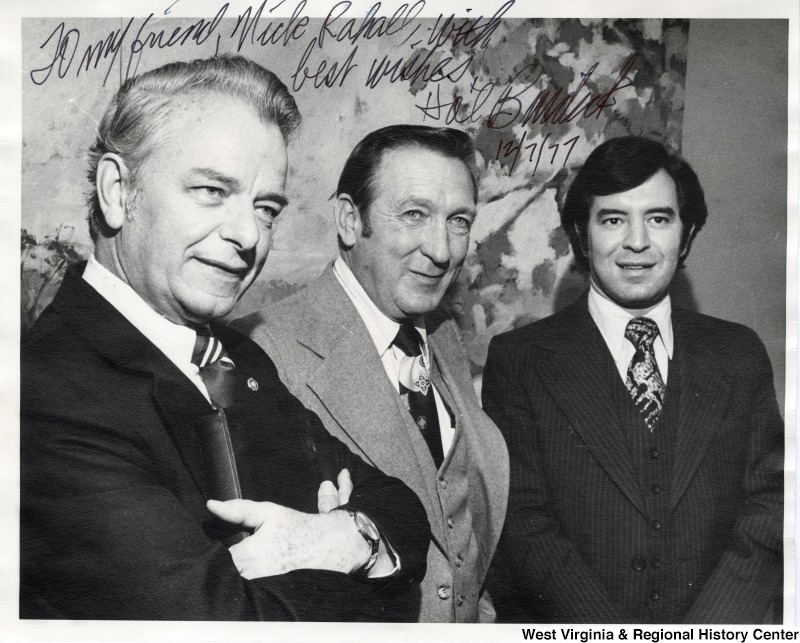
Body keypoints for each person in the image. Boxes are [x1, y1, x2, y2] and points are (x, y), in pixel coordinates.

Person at [20, 55, 431, 621]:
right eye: (212, 191)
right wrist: (358, 557)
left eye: (265, 208)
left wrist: (346, 538)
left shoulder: (234, 357)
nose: (247, 236)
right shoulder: (42, 396)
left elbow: (400, 506)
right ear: (118, 192)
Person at [482, 136, 784, 624]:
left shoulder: (738, 353)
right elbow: (524, 524)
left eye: (658, 218)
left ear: (685, 236)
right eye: (614, 219)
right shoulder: (521, 361)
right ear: (582, 235)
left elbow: (771, 506)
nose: (637, 242)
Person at [249, 125, 509, 622]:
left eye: (459, 220)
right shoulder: (263, 354)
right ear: (350, 220)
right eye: (414, 215)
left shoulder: (443, 337)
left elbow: (467, 543)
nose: (441, 249)